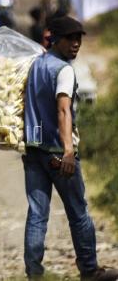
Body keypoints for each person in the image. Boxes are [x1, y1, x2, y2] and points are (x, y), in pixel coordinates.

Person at [22, 16, 118, 280]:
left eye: (79, 39)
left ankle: (34, 273)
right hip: (56, 152)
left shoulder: (36, 65)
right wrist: (67, 152)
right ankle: (89, 270)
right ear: (56, 39)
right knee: (78, 212)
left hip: (33, 150)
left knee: (37, 215)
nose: (76, 44)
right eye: (70, 39)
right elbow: (63, 111)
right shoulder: (63, 70)